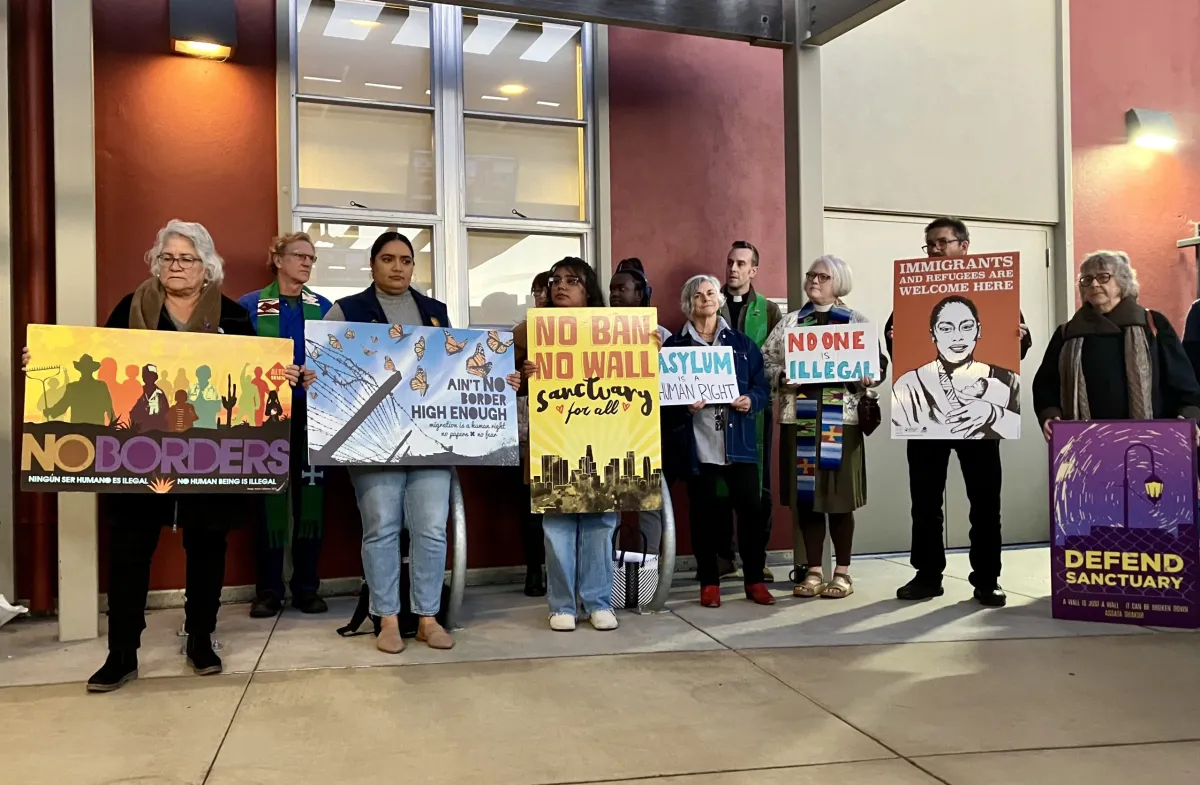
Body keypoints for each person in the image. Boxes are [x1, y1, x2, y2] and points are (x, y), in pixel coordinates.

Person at [20, 219, 310, 692]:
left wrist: (290, 376)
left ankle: (200, 639)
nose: (176, 266)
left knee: (207, 545)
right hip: (138, 454)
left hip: (210, 458)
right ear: (157, 263)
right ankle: (122, 654)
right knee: (130, 548)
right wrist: (47, 363)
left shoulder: (234, 317)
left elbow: (259, 374)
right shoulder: (128, 308)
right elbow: (91, 362)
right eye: (168, 258)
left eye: (187, 258)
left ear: (206, 267)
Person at [887, 217, 1031, 607]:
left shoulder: (992, 288)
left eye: (942, 242)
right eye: (929, 244)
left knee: (985, 504)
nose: (935, 249)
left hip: (981, 423)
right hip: (923, 423)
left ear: (964, 246)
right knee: (925, 503)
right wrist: (893, 339)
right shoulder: (913, 290)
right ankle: (927, 574)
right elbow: (894, 340)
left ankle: (987, 579)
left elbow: (1016, 340)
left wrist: (1021, 337)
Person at [324, 231, 455, 653]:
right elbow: (326, 366)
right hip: (371, 439)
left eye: (406, 260)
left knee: (432, 530)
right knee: (381, 529)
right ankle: (388, 620)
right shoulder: (347, 311)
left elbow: (454, 372)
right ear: (373, 264)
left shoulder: (435, 312)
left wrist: (495, 378)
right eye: (388, 258)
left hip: (430, 437)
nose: (398, 267)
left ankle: (428, 617)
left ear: (414, 266)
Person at [510, 257, 622, 631]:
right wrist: (523, 376)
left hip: (601, 437)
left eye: (571, 280)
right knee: (556, 525)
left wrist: (647, 345)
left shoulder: (615, 328)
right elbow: (497, 377)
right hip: (552, 437)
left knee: (600, 522)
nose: (560, 285)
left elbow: (636, 374)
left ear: (588, 291)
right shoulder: (529, 331)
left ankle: (598, 600)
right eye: (555, 279)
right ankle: (561, 604)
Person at [763, 256, 884, 599]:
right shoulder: (790, 324)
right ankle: (814, 570)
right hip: (799, 419)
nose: (814, 281)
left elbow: (877, 366)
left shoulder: (856, 323)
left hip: (840, 422)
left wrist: (870, 374)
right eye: (811, 275)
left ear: (839, 282)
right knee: (808, 498)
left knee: (839, 497)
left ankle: (842, 572)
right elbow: (766, 360)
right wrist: (781, 377)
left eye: (822, 276)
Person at [661, 275, 773, 608]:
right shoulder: (675, 348)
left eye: (711, 293)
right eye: (698, 295)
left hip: (737, 440)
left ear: (719, 299)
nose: (706, 299)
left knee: (751, 513)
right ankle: (709, 582)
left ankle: (754, 579)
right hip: (699, 444)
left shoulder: (741, 344)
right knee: (704, 517)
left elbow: (762, 387)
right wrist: (684, 406)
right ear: (688, 304)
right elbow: (664, 402)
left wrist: (750, 400)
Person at [239, 232, 334, 618]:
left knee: (312, 504)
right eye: (300, 256)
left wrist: (320, 375)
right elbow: (237, 362)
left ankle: (307, 587)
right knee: (266, 505)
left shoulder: (324, 308)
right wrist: (269, 373)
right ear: (277, 259)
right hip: (266, 420)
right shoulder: (250, 306)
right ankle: (268, 589)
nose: (307, 263)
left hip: (313, 420)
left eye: (312, 258)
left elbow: (340, 363)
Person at [1035, 250, 1200, 433]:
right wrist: (1049, 414)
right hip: (1083, 440)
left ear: (1122, 282)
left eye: (1103, 277)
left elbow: (1181, 378)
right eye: (1087, 280)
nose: (1094, 284)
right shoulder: (1067, 332)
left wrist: (1188, 414)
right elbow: (1046, 384)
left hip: (1151, 438)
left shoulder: (1151, 323)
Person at [718, 241, 783, 581]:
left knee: (759, 483)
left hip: (755, 407)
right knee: (718, 481)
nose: (733, 268)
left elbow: (776, 356)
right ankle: (723, 555)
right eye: (730, 262)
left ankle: (757, 556)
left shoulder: (769, 310)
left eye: (741, 263)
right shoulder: (710, 302)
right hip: (715, 406)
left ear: (753, 270)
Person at [891, 295, 1021, 439]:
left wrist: (994, 414)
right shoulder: (909, 385)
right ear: (933, 334)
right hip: (927, 450)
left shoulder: (1009, 380)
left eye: (966, 327)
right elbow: (900, 428)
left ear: (978, 331)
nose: (957, 337)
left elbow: (1019, 427)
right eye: (946, 328)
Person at [608, 260, 670, 555]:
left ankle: (648, 575)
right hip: (607, 427)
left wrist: (658, 356)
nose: (615, 294)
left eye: (622, 288)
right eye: (612, 289)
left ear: (641, 294)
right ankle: (608, 572)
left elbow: (672, 385)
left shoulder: (662, 336)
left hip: (646, 430)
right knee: (606, 503)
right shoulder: (597, 330)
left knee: (648, 505)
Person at [516, 270, 553, 596]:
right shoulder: (523, 332)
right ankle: (534, 571)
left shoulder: (579, 327)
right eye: (536, 290)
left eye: (546, 290)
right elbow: (506, 382)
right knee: (530, 506)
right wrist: (523, 376)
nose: (541, 296)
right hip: (529, 429)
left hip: (568, 427)